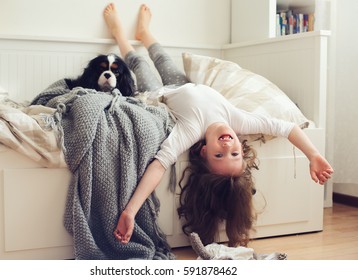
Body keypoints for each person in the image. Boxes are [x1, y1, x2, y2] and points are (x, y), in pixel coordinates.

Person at [103, 3, 334, 247]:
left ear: (204, 151)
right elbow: (286, 127)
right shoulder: (237, 120)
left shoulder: (191, 130)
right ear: (242, 150)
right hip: (185, 82)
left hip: (161, 92)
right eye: (234, 153)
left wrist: (130, 211)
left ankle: (120, 34)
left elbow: (160, 165)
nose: (227, 144)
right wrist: (314, 155)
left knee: (140, 65)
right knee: (162, 58)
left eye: (219, 154)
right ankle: (145, 34)